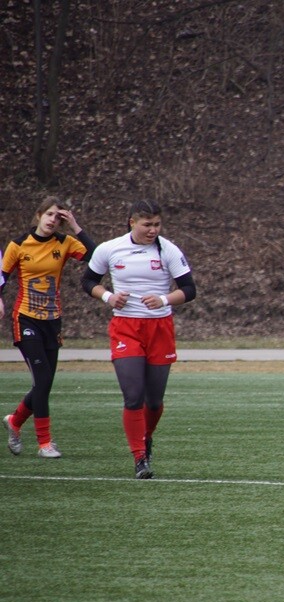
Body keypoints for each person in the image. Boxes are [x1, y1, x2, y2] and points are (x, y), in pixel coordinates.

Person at [81, 200, 197, 479]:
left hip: (160, 328)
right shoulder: (110, 249)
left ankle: (147, 436)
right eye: (147, 225)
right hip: (126, 327)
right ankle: (140, 458)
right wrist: (108, 296)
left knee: (153, 401)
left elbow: (189, 289)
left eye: (157, 224)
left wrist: (163, 299)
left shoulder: (168, 250)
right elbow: (88, 281)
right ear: (132, 222)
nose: (153, 230)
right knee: (133, 396)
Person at [2, 197, 96, 458]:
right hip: (26, 319)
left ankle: (15, 421)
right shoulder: (19, 244)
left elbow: (95, 257)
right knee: (42, 380)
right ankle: (45, 443)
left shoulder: (64, 243)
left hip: (52, 321)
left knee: (44, 384)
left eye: (58, 217)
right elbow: (2, 276)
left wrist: (75, 226)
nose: (53, 220)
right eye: (50, 214)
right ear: (39, 214)